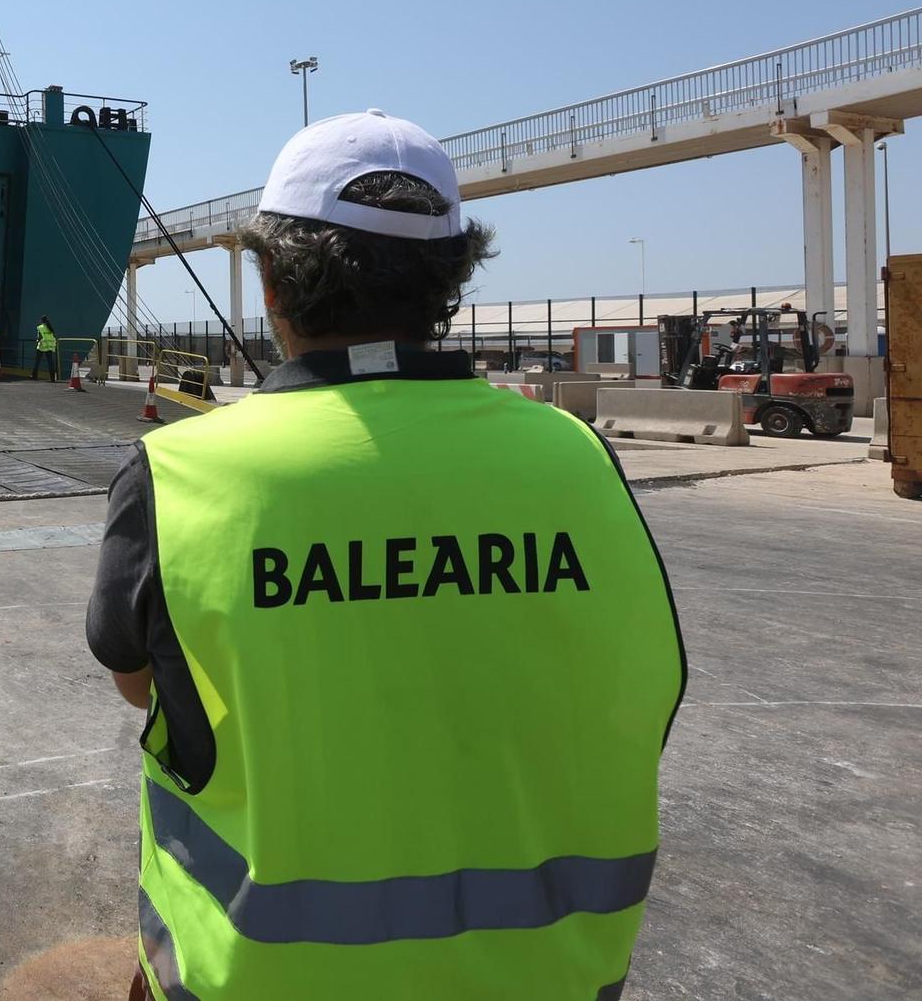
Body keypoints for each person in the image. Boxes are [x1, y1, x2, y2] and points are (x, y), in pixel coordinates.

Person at [86, 110, 685, 1001]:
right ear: (449, 282)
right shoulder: (578, 459)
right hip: (546, 980)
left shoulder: (180, 474)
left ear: (271, 282)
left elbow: (140, 685)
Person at [33, 314, 60, 383]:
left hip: (42, 346)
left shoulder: (40, 327)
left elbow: (40, 337)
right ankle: (52, 378)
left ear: (41, 320)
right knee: (50, 362)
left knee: (37, 361)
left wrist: (37, 341)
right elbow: (53, 337)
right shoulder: (50, 328)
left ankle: (34, 376)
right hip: (49, 346)